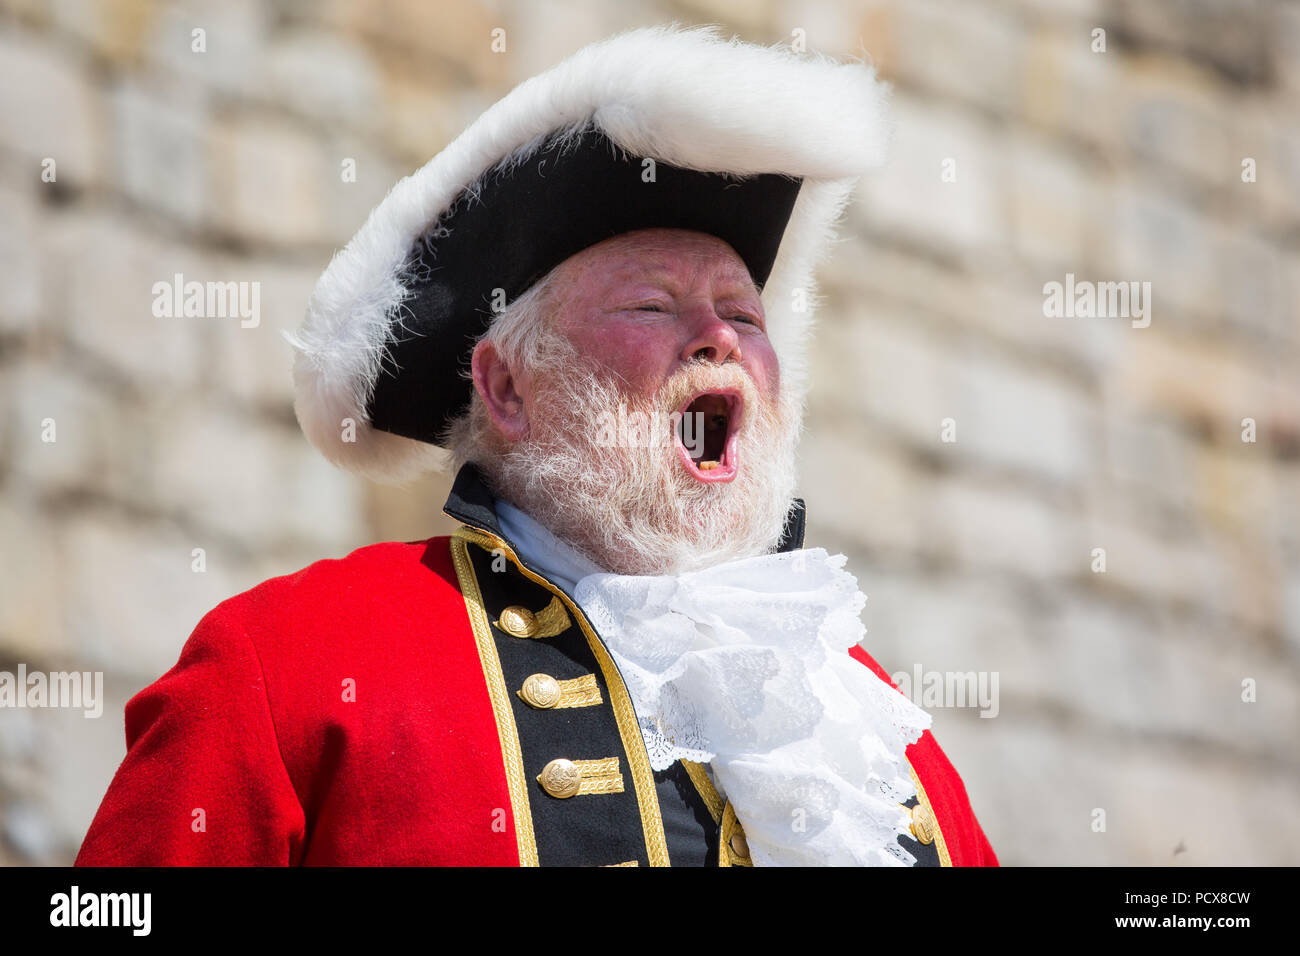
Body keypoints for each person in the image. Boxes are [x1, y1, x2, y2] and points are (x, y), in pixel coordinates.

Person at [76, 24, 997, 867]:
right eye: (652, 305)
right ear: (508, 389)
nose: (720, 339)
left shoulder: (873, 728)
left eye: (743, 314)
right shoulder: (294, 663)